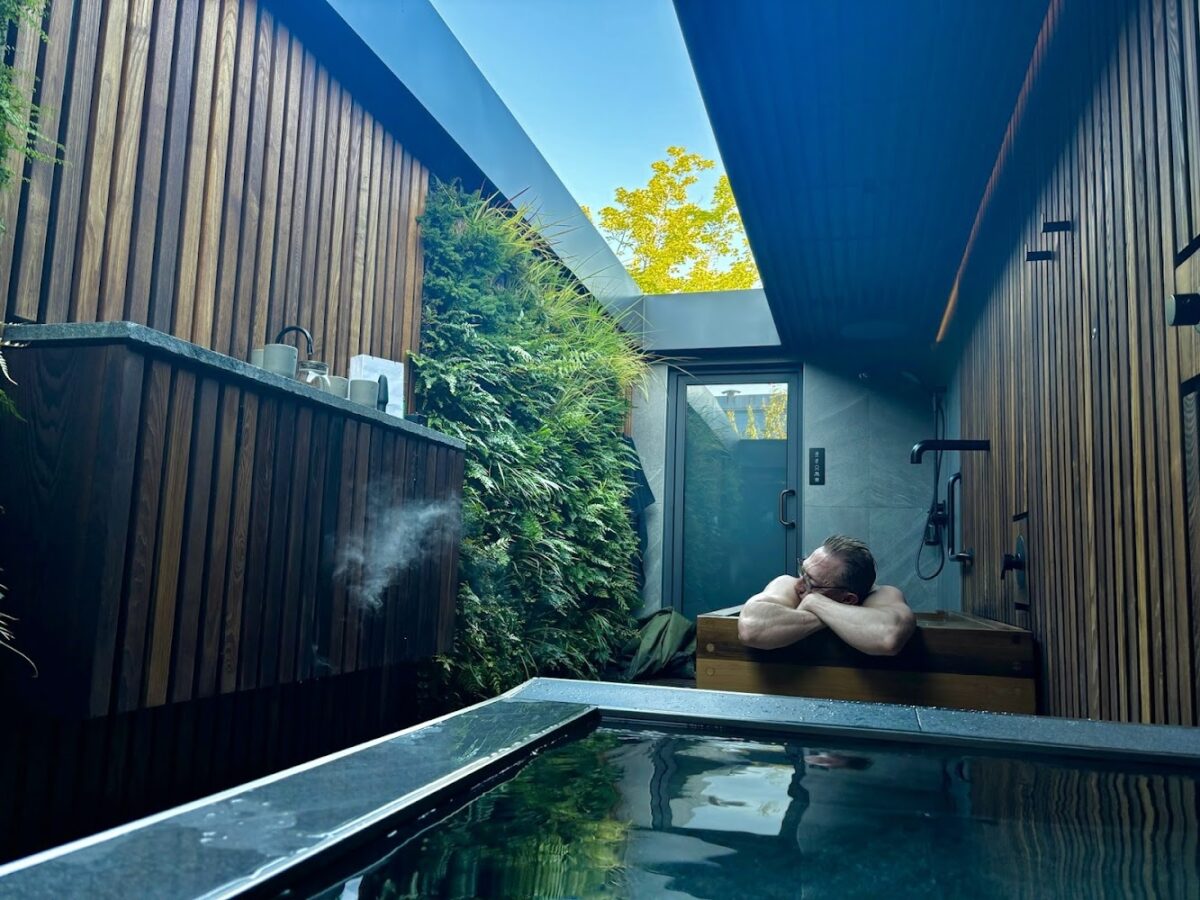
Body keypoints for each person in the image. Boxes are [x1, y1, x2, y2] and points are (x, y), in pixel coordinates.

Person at [737, 534, 915, 655]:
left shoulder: (882, 594)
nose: (798, 585)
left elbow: (888, 637)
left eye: (811, 583)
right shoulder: (788, 583)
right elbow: (751, 628)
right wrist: (831, 616)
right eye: (802, 571)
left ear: (848, 599)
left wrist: (814, 602)